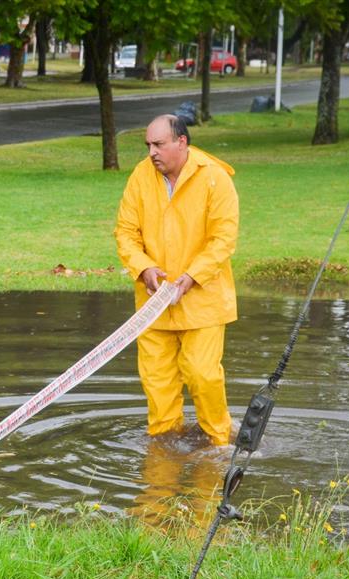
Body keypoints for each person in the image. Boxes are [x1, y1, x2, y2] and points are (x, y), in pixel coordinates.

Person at [115, 114, 239, 444]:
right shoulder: (141, 176)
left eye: (158, 144)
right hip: (153, 305)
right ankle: (163, 452)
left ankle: (219, 444)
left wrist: (191, 277)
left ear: (181, 142)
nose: (151, 152)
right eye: (148, 145)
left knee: (202, 375)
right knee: (157, 384)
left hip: (202, 301)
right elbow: (126, 233)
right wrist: (144, 268)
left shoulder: (214, 178)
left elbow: (223, 239)